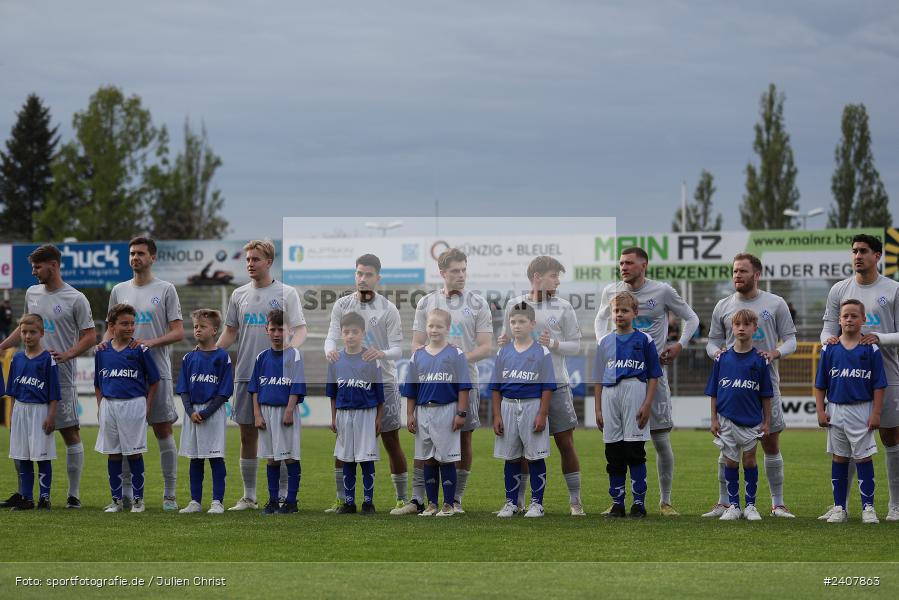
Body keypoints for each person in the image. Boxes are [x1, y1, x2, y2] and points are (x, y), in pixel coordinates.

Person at [595, 247, 699, 516]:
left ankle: (665, 501)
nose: (623, 267)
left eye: (629, 263)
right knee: (617, 446)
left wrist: (679, 345)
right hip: (621, 380)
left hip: (653, 376)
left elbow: (692, 318)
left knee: (660, 440)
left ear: (644, 265)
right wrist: (606, 346)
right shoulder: (611, 291)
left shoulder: (662, 291)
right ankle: (618, 501)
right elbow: (600, 318)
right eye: (620, 263)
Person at [0, 245, 96, 510]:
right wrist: (3, 346)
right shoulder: (32, 293)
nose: (33, 272)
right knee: (22, 440)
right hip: (30, 375)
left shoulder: (75, 298)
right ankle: (25, 494)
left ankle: (73, 495)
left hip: (60, 377)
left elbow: (89, 335)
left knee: (69, 433)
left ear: (53, 265)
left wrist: (67, 354)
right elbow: (24, 329)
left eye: (37, 267)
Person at [704, 253, 797, 518]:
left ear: (757, 274)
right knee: (727, 447)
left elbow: (791, 341)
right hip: (731, 388)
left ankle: (777, 503)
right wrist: (717, 354)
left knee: (769, 442)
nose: (737, 275)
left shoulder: (775, 303)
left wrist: (774, 353)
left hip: (764, 385)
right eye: (734, 271)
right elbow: (712, 342)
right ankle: (726, 503)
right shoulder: (723, 306)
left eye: (743, 271)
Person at [218, 240, 307, 511]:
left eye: (255, 259)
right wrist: (211, 353)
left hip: (277, 378)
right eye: (247, 259)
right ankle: (249, 496)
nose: (250, 264)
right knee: (247, 436)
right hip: (246, 374)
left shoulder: (287, 292)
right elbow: (231, 332)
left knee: (279, 438)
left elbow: (300, 329)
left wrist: (290, 353)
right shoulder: (238, 294)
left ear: (269, 262)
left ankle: (280, 496)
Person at [819, 234, 899, 522]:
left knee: (891, 437)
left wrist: (880, 337)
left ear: (877, 256)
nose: (857, 256)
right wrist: (829, 340)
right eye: (854, 251)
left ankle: (895, 505)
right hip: (848, 377)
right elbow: (827, 328)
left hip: (887, 374)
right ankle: (842, 506)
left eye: (863, 251)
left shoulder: (892, 290)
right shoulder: (839, 290)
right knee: (846, 443)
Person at [324, 254, 410, 515]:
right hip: (350, 382)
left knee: (391, 440)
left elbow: (399, 348)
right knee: (344, 443)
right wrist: (329, 350)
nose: (363, 279)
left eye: (368, 274)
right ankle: (342, 499)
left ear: (377, 278)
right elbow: (331, 337)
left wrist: (381, 353)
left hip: (381, 382)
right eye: (359, 273)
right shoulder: (341, 305)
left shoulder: (388, 308)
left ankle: (401, 499)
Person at [103, 237, 184, 511]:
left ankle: (169, 494)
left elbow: (178, 331)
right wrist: (104, 345)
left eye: (140, 253)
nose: (135, 257)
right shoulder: (118, 290)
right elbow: (110, 328)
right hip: (123, 375)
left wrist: (149, 343)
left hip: (155, 371)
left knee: (162, 429)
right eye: (132, 253)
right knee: (124, 436)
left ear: (153, 257)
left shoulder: (165, 289)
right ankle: (125, 495)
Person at [500, 256, 584, 516]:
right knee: (522, 446)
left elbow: (576, 346)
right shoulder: (515, 305)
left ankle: (575, 501)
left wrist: (554, 344)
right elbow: (505, 342)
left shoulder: (563, 307)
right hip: (523, 388)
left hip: (556, 385)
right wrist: (502, 341)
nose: (557, 281)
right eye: (553, 276)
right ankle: (519, 502)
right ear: (537, 276)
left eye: (558, 276)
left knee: (565, 442)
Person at [411, 248, 492, 513]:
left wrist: (454, 361)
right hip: (431, 384)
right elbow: (417, 343)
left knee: (464, 439)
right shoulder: (426, 303)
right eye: (455, 271)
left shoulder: (478, 303)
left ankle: (455, 498)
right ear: (442, 273)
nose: (461, 275)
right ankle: (419, 499)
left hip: (465, 382)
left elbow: (485, 347)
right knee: (426, 440)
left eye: (464, 270)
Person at [815, 299, 887, 524]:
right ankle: (840, 508)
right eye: (845, 316)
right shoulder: (830, 348)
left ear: (864, 320)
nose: (849, 319)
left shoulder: (871, 349)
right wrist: (820, 410)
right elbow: (820, 384)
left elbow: (879, 385)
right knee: (839, 458)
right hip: (836, 409)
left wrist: (876, 413)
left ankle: (868, 508)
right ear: (839, 319)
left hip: (861, 410)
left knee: (863, 458)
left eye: (854, 316)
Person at [594, 292, 663, 518]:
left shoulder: (644, 340)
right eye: (616, 311)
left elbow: (654, 374)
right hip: (610, 393)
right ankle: (617, 503)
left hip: (635, 390)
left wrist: (647, 403)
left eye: (624, 311)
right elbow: (597, 377)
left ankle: (639, 503)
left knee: (634, 450)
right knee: (613, 451)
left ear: (635, 313)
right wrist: (597, 408)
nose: (620, 314)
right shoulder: (604, 342)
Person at [704, 309, 772, 521]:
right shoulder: (722, 358)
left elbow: (766, 394)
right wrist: (713, 418)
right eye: (737, 324)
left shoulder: (760, 360)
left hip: (751, 420)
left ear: (755, 328)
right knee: (730, 461)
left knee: (750, 460)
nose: (741, 328)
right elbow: (714, 391)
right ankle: (733, 505)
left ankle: (750, 505)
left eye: (746, 324)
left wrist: (767, 421)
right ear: (732, 328)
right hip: (725, 418)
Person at [403, 308, 472, 517]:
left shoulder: (456, 354)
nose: (434, 330)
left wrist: (461, 413)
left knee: (446, 458)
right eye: (431, 325)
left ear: (448, 328)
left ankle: (448, 504)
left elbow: (463, 387)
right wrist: (409, 414)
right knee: (428, 459)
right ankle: (432, 504)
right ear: (425, 327)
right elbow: (411, 390)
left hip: (447, 410)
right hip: (424, 411)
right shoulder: (418, 356)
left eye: (439, 326)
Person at [94, 304, 160, 513]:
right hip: (109, 405)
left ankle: (138, 500)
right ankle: (117, 500)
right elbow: (98, 382)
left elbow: (154, 380)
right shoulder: (102, 351)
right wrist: (100, 406)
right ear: (111, 325)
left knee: (134, 454)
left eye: (132, 323)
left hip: (133, 404)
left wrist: (147, 405)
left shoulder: (140, 349)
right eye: (124, 323)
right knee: (113, 453)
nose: (130, 327)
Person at [492, 302, 556, 518]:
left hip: (532, 405)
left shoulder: (542, 352)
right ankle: (511, 502)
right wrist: (497, 415)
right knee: (511, 457)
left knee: (535, 456)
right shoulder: (503, 352)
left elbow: (548, 386)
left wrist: (542, 413)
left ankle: (537, 503)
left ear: (532, 324)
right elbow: (495, 387)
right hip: (508, 405)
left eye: (521, 322)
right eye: (513, 322)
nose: (516, 326)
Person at [325, 312, 385, 515]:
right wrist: (333, 417)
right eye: (346, 332)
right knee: (347, 459)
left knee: (366, 459)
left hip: (366, 414)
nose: (350, 335)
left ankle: (368, 502)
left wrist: (378, 418)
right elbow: (332, 393)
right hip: (344, 415)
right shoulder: (335, 360)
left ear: (363, 334)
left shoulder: (371, 359)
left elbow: (380, 395)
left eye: (355, 332)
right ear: (342, 334)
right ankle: (349, 502)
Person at [176, 309, 234, 515]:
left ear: (215, 330)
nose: (198, 330)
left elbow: (225, 391)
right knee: (195, 457)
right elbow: (183, 388)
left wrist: (207, 412)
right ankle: (195, 501)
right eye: (195, 327)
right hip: (192, 414)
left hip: (213, 413)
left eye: (203, 326)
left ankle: (217, 501)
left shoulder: (222, 357)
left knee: (215, 456)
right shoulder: (188, 358)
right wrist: (191, 411)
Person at [248, 309, 306, 515]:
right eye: (272, 329)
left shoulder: (294, 355)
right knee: (271, 458)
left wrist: (289, 410)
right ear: (266, 330)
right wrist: (257, 414)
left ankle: (291, 501)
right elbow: (255, 388)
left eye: (281, 329)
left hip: (285, 412)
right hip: (265, 412)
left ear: (289, 331)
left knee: (290, 456)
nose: (276, 333)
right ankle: (273, 500)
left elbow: (296, 386)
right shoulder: (261, 357)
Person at [5, 314, 60, 510]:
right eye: (24, 332)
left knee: (42, 456)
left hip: (40, 411)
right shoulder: (17, 358)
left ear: (41, 333)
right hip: (20, 411)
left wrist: (51, 416)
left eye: (32, 332)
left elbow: (54, 393)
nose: (28, 336)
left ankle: (44, 497)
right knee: (23, 456)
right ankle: (27, 498)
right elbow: (11, 391)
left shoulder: (48, 359)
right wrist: (11, 416)